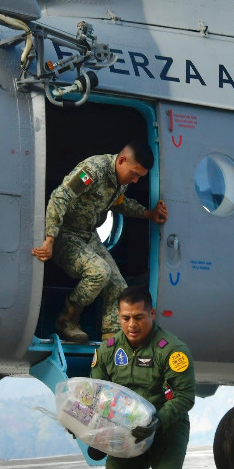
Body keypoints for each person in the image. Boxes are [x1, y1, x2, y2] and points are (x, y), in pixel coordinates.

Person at [86, 285, 195, 469]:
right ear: (118, 317)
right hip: (125, 436)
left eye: (138, 317)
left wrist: (157, 422)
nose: (132, 325)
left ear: (152, 314)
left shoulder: (171, 350)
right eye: (125, 318)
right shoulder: (107, 350)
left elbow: (184, 397)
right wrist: (93, 436)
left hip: (166, 430)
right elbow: (97, 398)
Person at [33, 141, 168, 342]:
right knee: (99, 272)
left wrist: (149, 214)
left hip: (88, 235)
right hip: (65, 234)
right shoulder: (93, 171)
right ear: (122, 160)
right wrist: (50, 239)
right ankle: (67, 320)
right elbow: (60, 197)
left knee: (118, 285)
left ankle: (111, 340)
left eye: (140, 176)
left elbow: (120, 204)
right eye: (134, 174)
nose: (136, 180)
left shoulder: (122, 181)